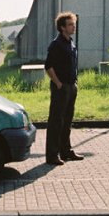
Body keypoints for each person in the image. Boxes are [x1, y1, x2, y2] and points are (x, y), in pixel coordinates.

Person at [44, 12, 84, 165]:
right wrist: (58, 83)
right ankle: (52, 155)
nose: (73, 27)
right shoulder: (56, 44)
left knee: (67, 120)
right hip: (61, 88)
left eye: (73, 24)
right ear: (62, 27)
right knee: (56, 121)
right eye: (70, 24)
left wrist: (74, 84)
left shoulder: (71, 43)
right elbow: (48, 66)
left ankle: (65, 151)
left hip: (71, 86)